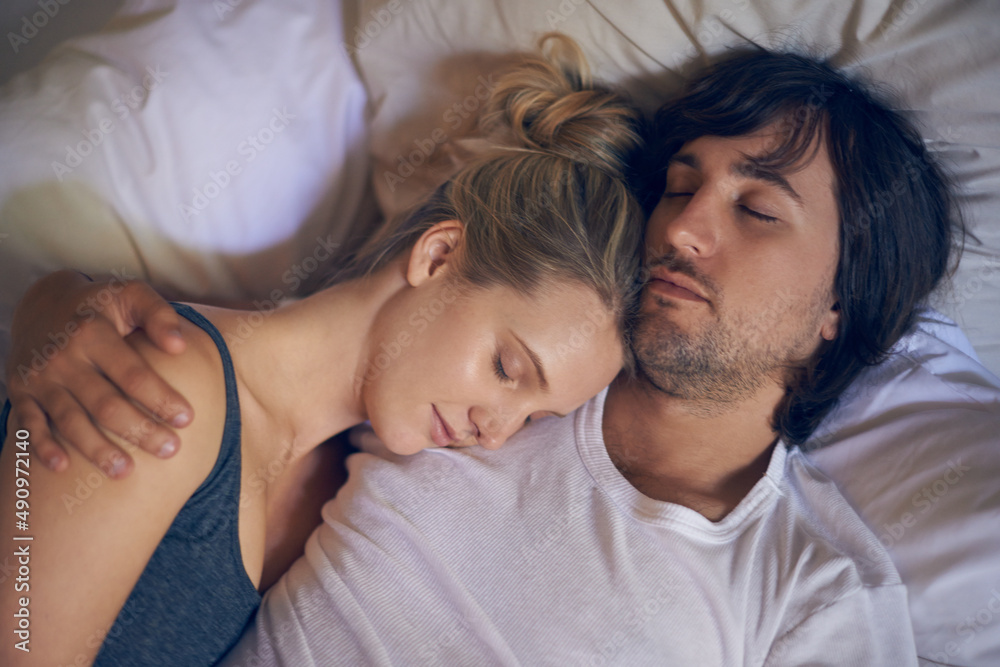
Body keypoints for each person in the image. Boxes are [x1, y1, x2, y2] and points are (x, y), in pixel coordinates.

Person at [5, 48, 962, 663]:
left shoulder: (816, 591)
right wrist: (55, 307)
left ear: (843, 302)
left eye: (757, 209)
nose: (685, 229)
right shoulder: (449, 395)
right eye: (678, 186)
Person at [0, 35, 649, 667]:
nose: (496, 430)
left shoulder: (342, 498)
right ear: (438, 254)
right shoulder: (168, 386)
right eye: (507, 368)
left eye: (534, 419)